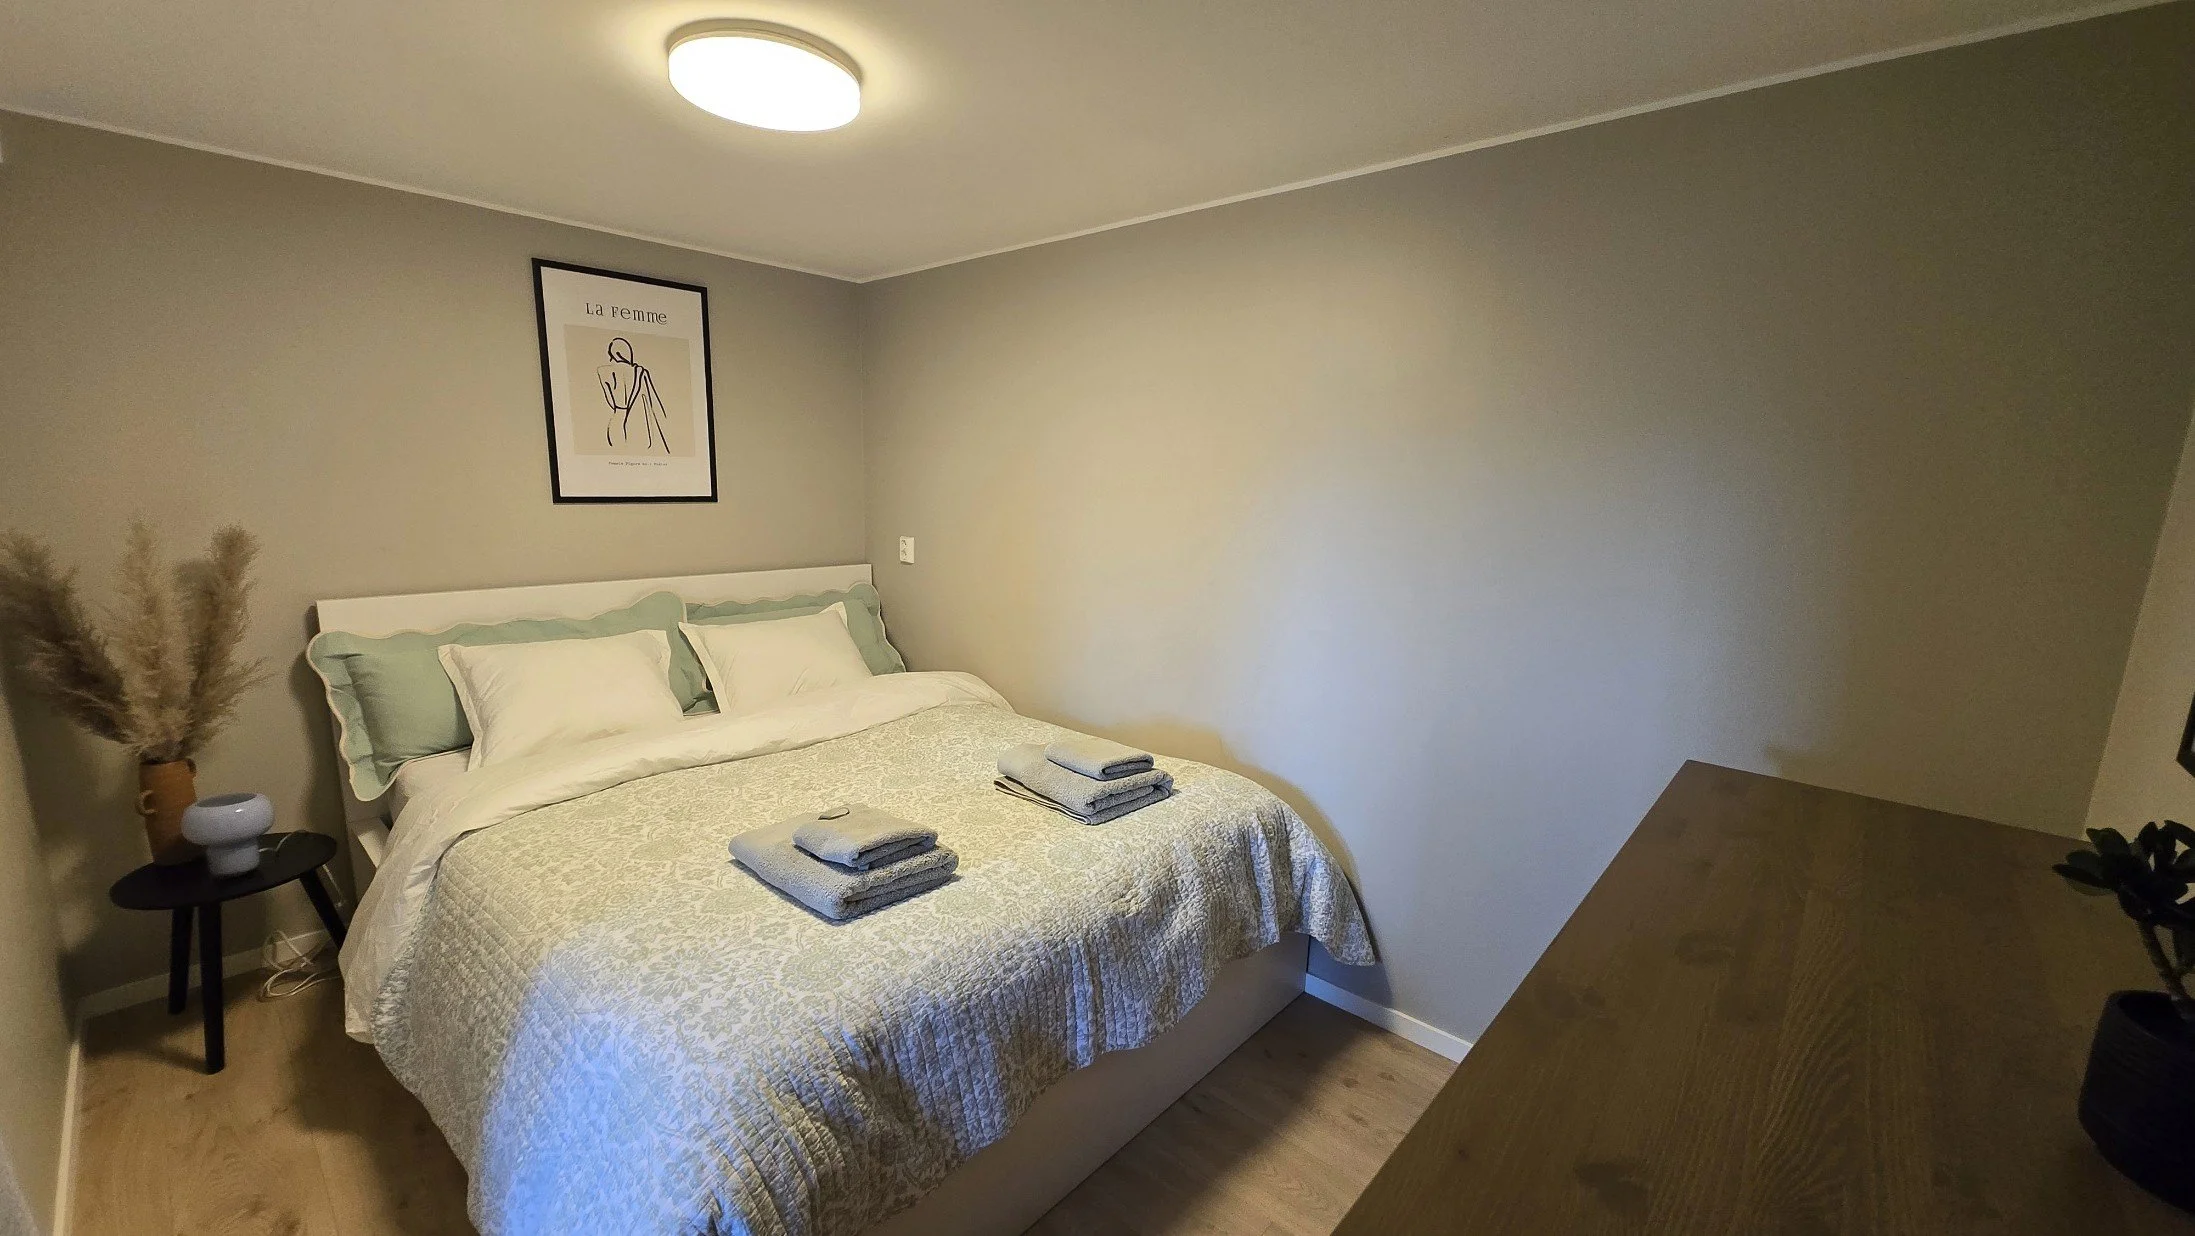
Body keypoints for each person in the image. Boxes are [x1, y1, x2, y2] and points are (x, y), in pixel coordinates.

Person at [596, 336, 672, 453]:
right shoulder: (640, 371)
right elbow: (650, 399)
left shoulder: (603, 371)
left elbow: (610, 400)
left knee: (618, 453)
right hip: (634, 418)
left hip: (617, 416)